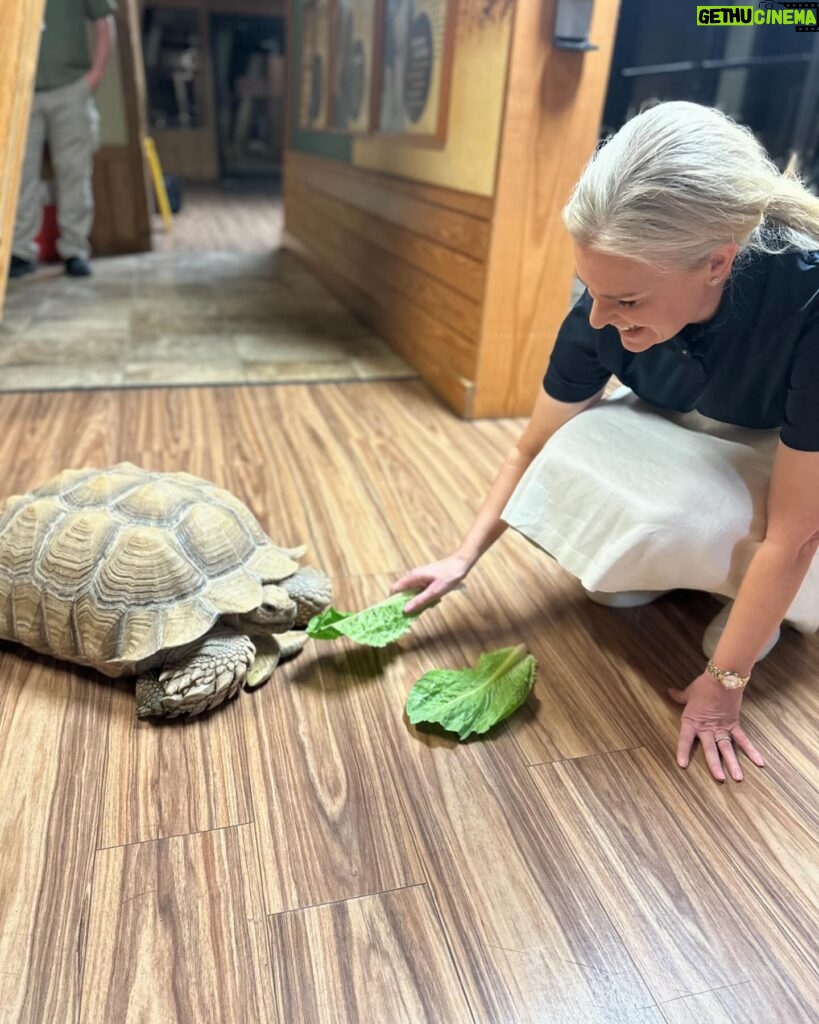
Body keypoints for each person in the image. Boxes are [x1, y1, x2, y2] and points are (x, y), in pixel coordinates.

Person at [391, 101, 819, 783]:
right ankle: (675, 571)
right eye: (588, 288)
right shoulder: (601, 307)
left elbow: (795, 533)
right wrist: (462, 558)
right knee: (577, 447)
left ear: (716, 262)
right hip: (699, 410)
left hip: (793, 446)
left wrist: (723, 685)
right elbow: (533, 447)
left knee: (728, 523)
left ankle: (753, 620)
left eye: (625, 300)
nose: (597, 316)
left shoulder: (806, 306)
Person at [8, 0, 117, 280]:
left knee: (74, 172)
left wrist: (96, 74)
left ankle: (75, 250)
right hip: (21, 90)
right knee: (18, 176)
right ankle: (20, 251)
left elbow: (103, 23)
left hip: (71, 89)